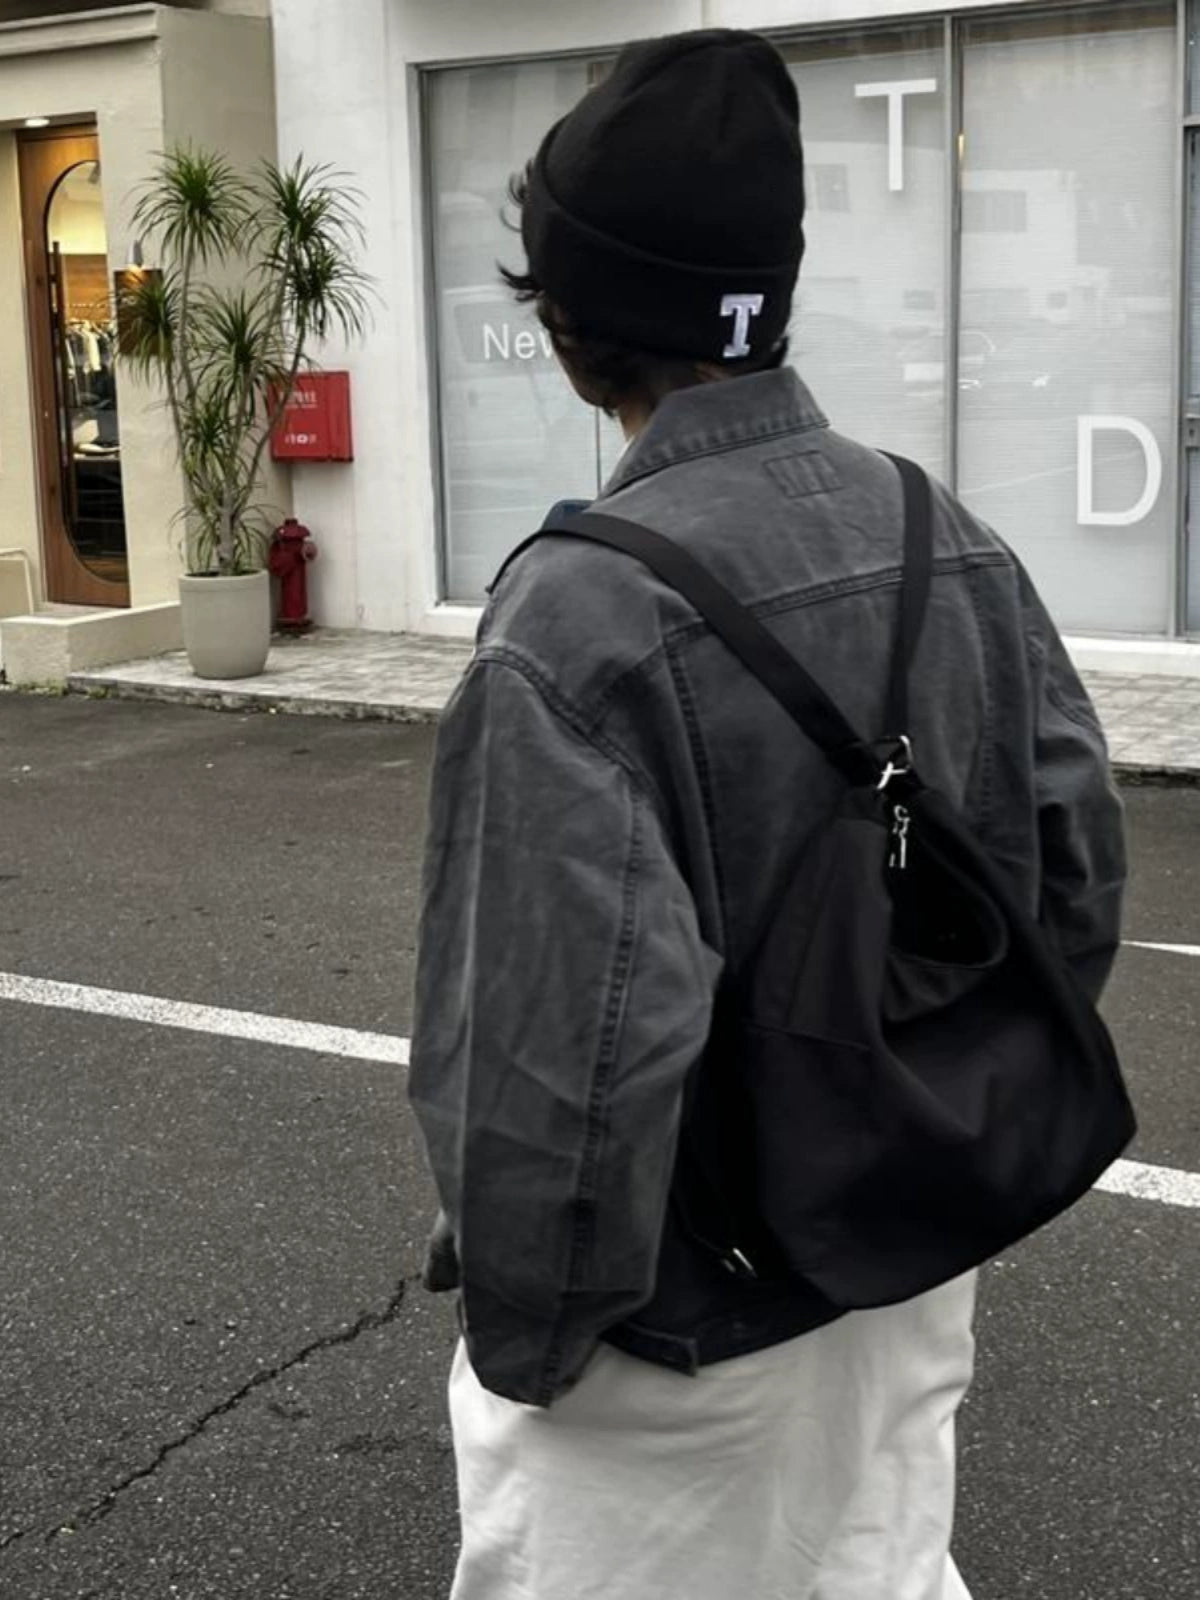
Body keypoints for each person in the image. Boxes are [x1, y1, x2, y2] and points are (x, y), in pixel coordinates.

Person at [408, 27, 1125, 1600]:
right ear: (775, 290)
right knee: (882, 1572)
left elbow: (553, 1074)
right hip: (902, 1273)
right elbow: (1071, 886)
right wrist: (925, 1127)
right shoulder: (944, 531)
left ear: (570, 328)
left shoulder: (576, 620)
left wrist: (530, 1346)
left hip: (679, 1349)